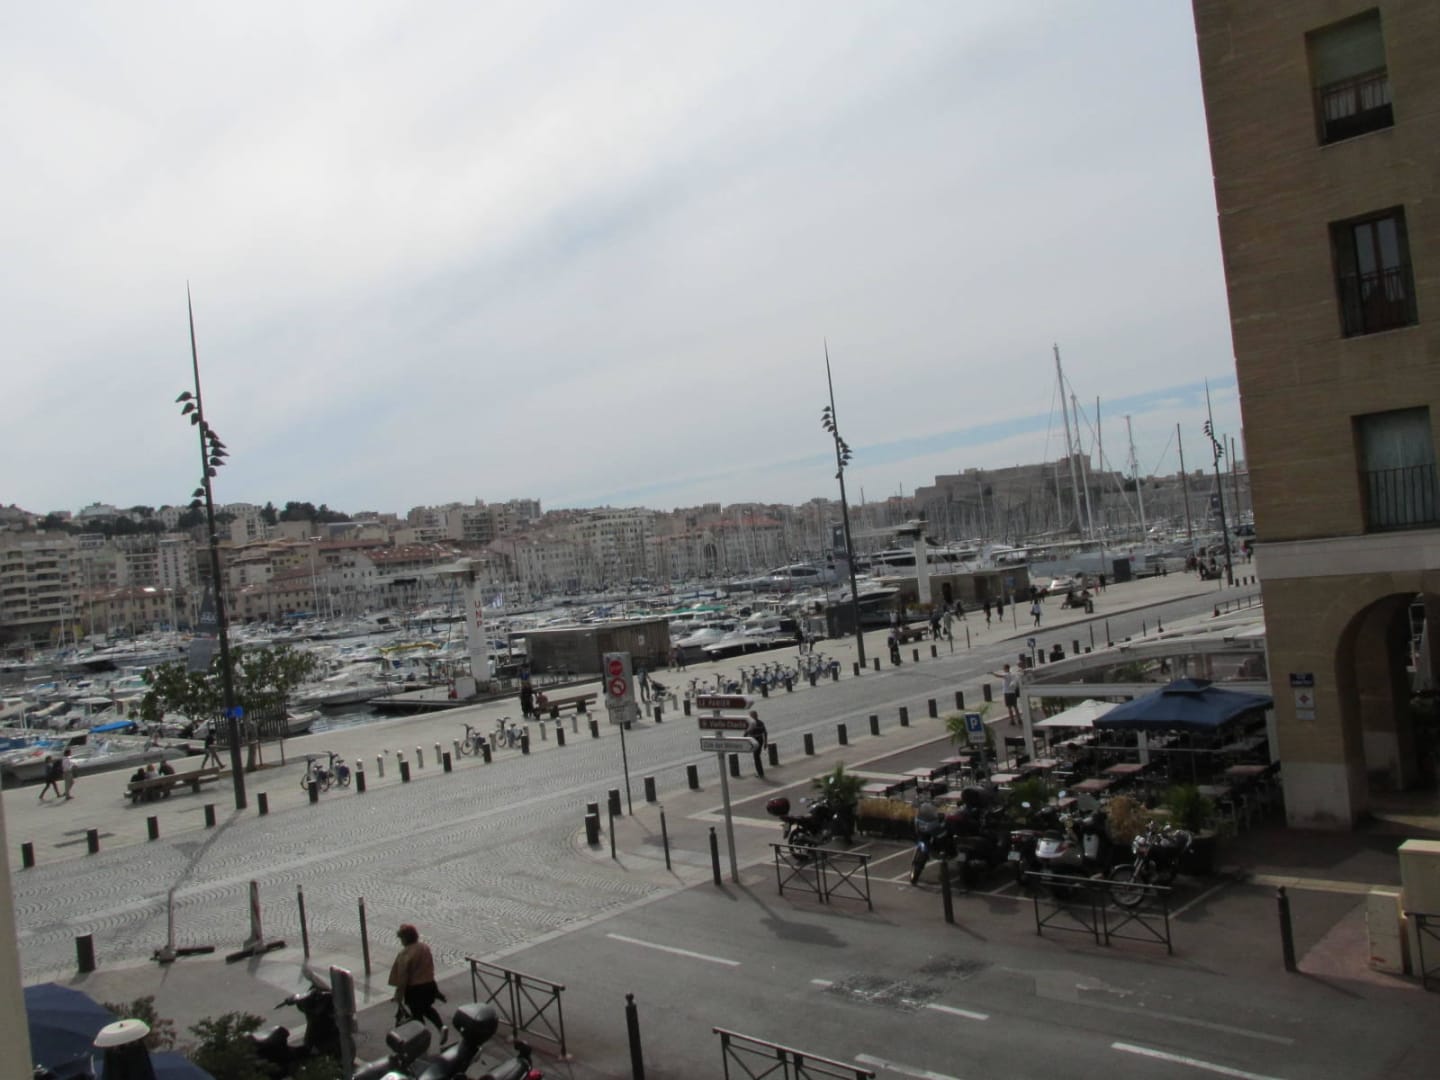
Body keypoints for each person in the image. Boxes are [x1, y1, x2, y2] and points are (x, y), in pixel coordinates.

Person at [389, 924, 445, 1036]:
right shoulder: (424, 947)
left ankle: (422, 1037)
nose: (401, 941)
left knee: (417, 1014)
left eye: (401, 938)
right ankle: (441, 1027)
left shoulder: (405, 954)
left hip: (415, 989)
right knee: (427, 1009)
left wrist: (398, 996)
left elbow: (403, 977)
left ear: (405, 939)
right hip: (429, 985)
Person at [745, 710, 768, 778]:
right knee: (757, 756)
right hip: (759, 740)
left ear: (753, 716)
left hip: (755, 741)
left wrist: (742, 739)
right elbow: (765, 733)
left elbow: (746, 732)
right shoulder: (760, 722)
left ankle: (760, 773)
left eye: (750, 716)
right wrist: (765, 742)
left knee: (756, 757)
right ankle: (760, 772)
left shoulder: (751, 724)